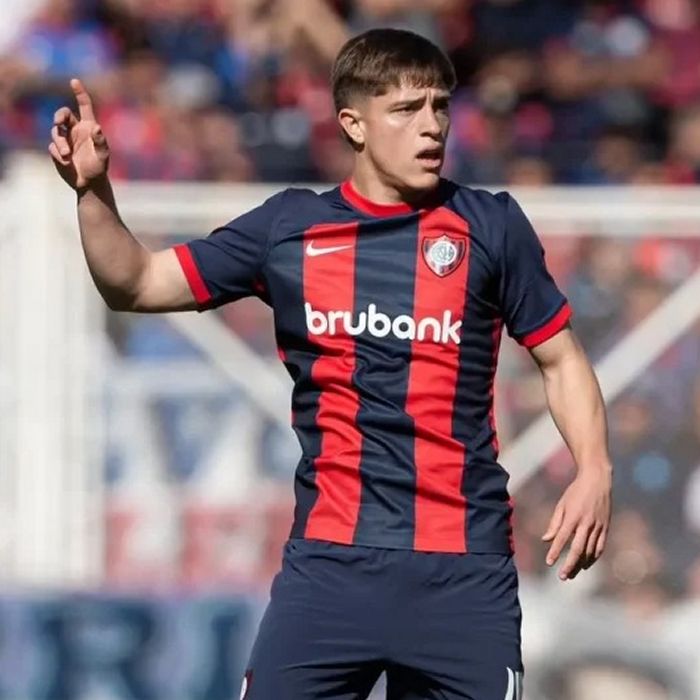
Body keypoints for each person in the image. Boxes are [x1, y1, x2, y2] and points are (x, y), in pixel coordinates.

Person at [49, 28, 612, 700]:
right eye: (406, 109)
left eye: (439, 106)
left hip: (463, 573)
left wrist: (594, 468)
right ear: (354, 124)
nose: (431, 126)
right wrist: (92, 191)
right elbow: (137, 284)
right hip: (329, 570)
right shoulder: (290, 228)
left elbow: (560, 358)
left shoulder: (490, 226)